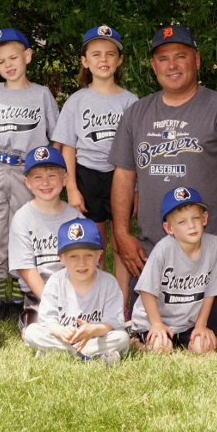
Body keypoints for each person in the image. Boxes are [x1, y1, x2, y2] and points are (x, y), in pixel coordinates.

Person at [108, 25, 217, 337]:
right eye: (163, 58)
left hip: (213, 248)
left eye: (180, 56)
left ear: (197, 60)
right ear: (153, 66)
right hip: (155, 252)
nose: (172, 65)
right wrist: (121, 233)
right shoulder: (136, 113)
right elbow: (123, 175)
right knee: (147, 333)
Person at [0, 28, 60, 313]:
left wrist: (49, 171)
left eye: (14, 57)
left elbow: (57, 137)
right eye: (1, 60)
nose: (9, 64)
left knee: (24, 225)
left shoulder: (41, 94)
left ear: (28, 56)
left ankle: (23, 291)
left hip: (27, 170)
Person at [51, 25, 138, 311]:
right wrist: (71, 187)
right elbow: (67, 148)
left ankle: (122, 302)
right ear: (85, 61)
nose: (104, 59)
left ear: (119, 60)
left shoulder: (131, 101)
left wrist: (135, 190)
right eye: (96, 54)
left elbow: (137, 152)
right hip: (87, 175)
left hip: (121, 176)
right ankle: (97, 301)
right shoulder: (77, 101)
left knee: (120, 239)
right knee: (94, 242)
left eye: (110, 54)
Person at [130, 187, 217, 354]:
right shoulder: (164, 248)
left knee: (204, 348)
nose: (191, 226)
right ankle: (134, 340)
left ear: (204, 218)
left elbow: (211, 290)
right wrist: (156, 325)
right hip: (154, 320)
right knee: (161, 348)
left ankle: (179, 340)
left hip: (186, 324)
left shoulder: (214, 245)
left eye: (195, 218)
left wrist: (201, 325)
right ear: (169, 228)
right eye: (182, 222)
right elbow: (146, 290)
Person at [24, 218, 130, 365]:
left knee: (122, 338)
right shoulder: (56, 281)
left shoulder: (109, 282)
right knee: (32, 332)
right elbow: (48, 320)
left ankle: (57, 352)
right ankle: (93, 357)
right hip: (63, 338)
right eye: (73, 256)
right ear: (61, 258)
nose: (81, 262)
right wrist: (61, 331)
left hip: (96, 338)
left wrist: (93, 330)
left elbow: (112, 323)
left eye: (88, 255)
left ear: (99, 255)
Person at [8, 146, 84, 329]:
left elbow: (87, 262)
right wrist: (53, 302)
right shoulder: (22, 218)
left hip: (74, 289)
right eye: (37, 177)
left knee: (88, 323)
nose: (45, 182)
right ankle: (30, 321)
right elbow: (27, 269)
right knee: (40, 329)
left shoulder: (76, 218)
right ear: (27, 182)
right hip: (39, 294)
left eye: (52, 175)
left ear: (65, 178)